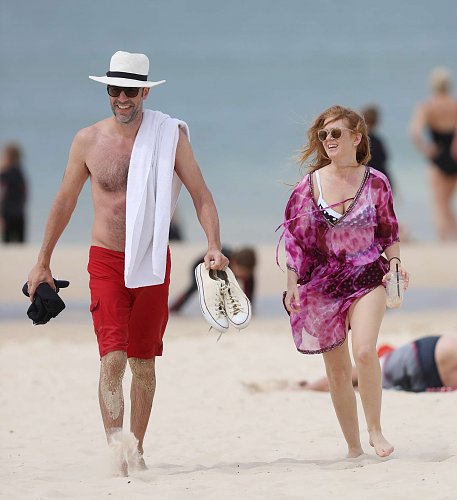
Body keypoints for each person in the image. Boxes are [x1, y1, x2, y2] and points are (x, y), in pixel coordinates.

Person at [26, 51, 229, 476]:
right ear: (107, 90)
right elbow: (64, 201)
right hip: (105, 259)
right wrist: (42, 261)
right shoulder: (88, 140)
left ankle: (136, 448)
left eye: (130, 90)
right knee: (113, 358)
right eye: (115, 89)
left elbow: (202, 195)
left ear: (145, 93)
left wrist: (213, 244)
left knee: (144, 362)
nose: (122, 97)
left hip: (151, 258)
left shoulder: (169, 136)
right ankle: (117, 451)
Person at [281, 105, 409, 459]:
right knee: (337, 372)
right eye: (323, 135)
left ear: (357, 137)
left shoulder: (376, 182)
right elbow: (294, 242)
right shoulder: (308, 187)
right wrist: (292, 284)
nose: (328, 139)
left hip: (367, 275)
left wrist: (395, 264)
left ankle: (375, 430)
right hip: (323, 285)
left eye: (335, 133)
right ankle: (354, 448)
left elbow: (389, 232)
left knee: (365, 352)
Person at [290, 335, 457, 393]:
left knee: (365, 377)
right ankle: (308, 388)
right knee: (364, 375)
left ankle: (309, 388)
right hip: (423, 359)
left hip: (425, 358)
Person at [410, 67, 457, 241]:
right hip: (454, 156)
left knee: (439, 204)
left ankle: (443, 241)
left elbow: (415, 133)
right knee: (446, 204)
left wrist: (427, 149)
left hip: (438, 155)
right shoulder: (454, 105)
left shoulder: (427, 106)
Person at [169, 246, 257, 312]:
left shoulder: (248, 275)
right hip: (202, 266)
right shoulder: (222, 262)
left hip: (218, 272)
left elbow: (249, 297)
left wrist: (248, 310)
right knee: (194, 288)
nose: (243, 276)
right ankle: (174, 308)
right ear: (234, 263)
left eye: (246, 273)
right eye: (241, 271)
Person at [361, 105, 394, 191]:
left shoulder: (355, 141)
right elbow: (383, 162)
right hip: (377, 182)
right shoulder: (377, 141)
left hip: (363, 182)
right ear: (376, 122)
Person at [0, 142, 27, 243]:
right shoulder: (19, 173)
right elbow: (24, 193)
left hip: (7, 214)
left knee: (7, 243)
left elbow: (2, 195)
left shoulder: (4, 174)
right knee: (20, 244)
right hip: (19, 213)